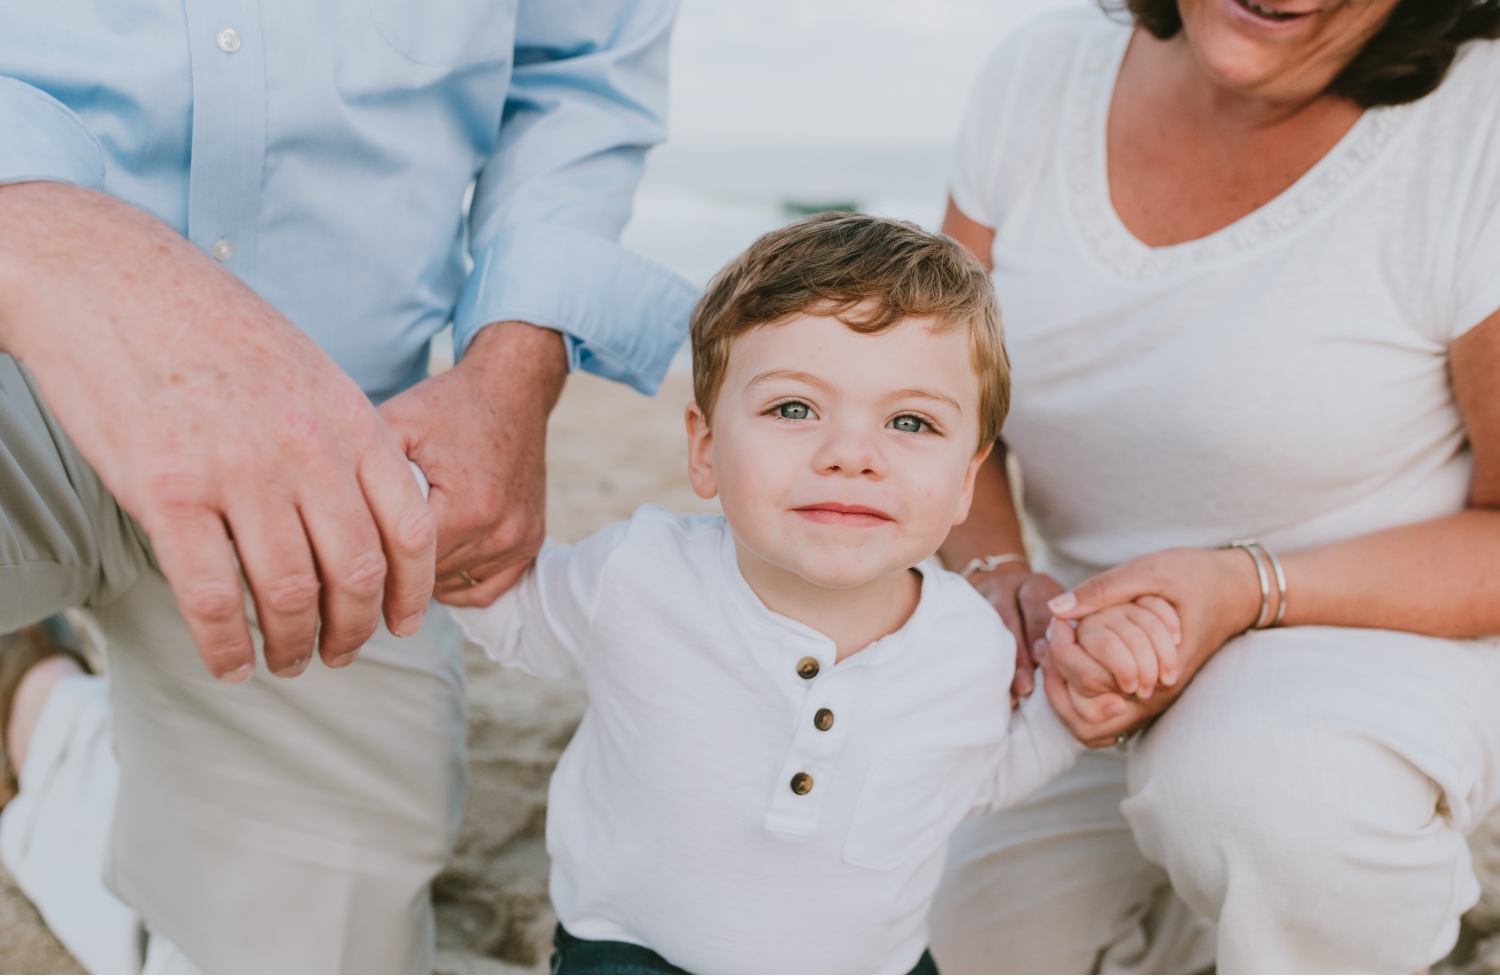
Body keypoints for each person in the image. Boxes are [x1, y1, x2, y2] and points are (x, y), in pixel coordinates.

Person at [0, 0, 697, 971]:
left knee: (320, 946)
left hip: (343, 436)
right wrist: (48, 224)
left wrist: (511, 369)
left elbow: (579, 70)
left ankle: (42, 715)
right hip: (13, 355)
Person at [928, 0, 1500, 972]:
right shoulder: (1037, 75)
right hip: (1091, 648)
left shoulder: (1478, 125)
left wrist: (1240, 587)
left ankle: (1385, 869)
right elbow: (939, 410)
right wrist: (996, 576)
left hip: (1383, 639)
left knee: (1265, 794)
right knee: (967, 928)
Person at [451, 213, 1181, 974]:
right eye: (793, 409)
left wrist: (1073, 715)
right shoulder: (639, 574)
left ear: (967, 480)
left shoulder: (971, 643)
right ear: (705, 449)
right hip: (638, 950)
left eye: (910, 421)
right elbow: (505, 605)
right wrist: (441, 537)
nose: (850, 455)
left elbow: (981, 772)